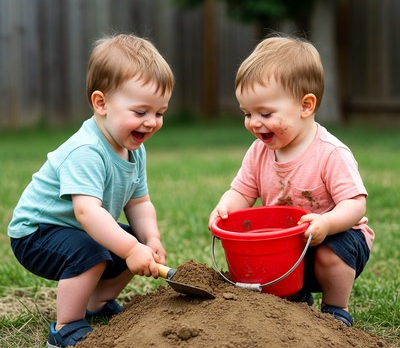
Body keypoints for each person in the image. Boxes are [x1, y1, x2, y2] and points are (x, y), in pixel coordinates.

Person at [8, 34, 175, 347]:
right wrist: (128, 249)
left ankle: (95, 303)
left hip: (76, 229)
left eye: (159, 113)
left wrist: (149, 240)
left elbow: (139, 202)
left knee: (136, 242)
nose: (151, 122)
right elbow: (87, 212)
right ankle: (65, 327)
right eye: (140, 112)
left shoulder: (134, 150)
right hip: (36, 234)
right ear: (101, 103)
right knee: (91, 253)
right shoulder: (87, 150)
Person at [208, 34, 374, 327]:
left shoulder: (329, 153)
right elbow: (242, 191)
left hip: (337, 236)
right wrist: (225, 209)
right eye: (247, 113)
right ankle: (293, 297)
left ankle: (336, 308)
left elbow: (355, 204)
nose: (254, 122)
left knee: (329, 256)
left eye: (265, 113)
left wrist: (327, 224)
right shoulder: (259, 152)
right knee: (261, 255)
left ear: (305, 106)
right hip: (288, 244)